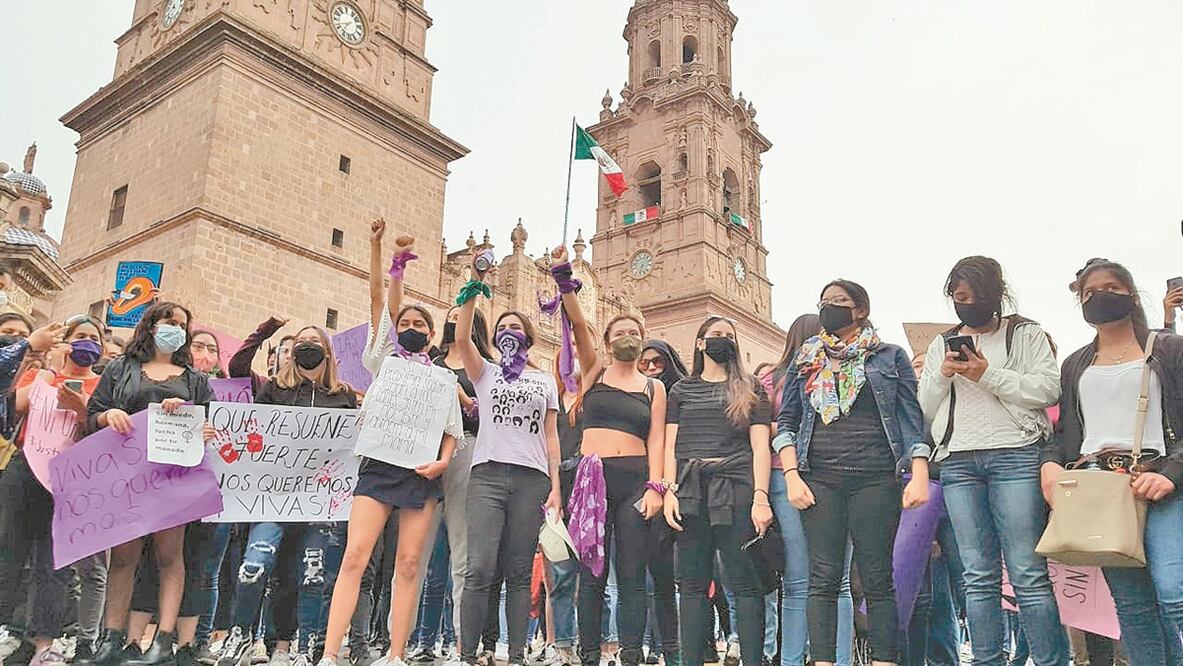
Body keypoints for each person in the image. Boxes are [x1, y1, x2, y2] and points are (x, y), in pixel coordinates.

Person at [319, 222, 461, 666]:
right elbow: (381, 301)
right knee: (355, 556)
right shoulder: (383, 359)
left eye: (420, 324)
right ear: (394, 331)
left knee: (410, 563)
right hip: (379, 468)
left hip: (420, 474)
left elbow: (451, 429)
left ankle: (396, 655)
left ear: (432, 336)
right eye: (406, 323)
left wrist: (443, 463)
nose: (412, 327)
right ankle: (330, 653)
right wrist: (386, 254)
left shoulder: (442, 378)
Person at [917, 257, 1066, 666]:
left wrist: (987, 374)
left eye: (971, 296)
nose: (963, 304)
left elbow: (1048, 390)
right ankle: (987, 660)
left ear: (994, 294)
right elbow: (924, 408)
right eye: (957, 297)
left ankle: (1050, 660)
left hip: (1016, 454)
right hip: (959, 461)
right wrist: (942, 374)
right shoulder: (942, 343)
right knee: (977, 577)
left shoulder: (1025, 333)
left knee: (1027, 571)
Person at [774, 280, 930, 666]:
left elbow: (911, 420)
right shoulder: (806, 358)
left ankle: (884, 660)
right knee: (823, 578)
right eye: (824, 301)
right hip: (819, 478)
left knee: (877, 576)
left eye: (839, 300)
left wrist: (919, 473)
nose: (829, 306)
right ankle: (824, 661)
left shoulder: (889, 356)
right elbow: (787, 421)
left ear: (860, 309)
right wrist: (791, 475)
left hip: (876, 477)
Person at [1041, 259, 1183, 665]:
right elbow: (1065, 432)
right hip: (1100, 489)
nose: (1098, 297)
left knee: (1173, 592)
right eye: (1089, 293)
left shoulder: (1169, 349)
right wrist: (1050, 464)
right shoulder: (1076, 363)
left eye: (1110, 288)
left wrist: (1172, 474)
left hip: (1160, 481)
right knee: (1133, 605)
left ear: (1132, 296)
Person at [213, 325, 357, 666]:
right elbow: (252, 432)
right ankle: (241, 635)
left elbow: (348, 448)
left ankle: (299, 647)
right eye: (302, 342)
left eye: (314, 342)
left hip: (319, 503)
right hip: (273, 498)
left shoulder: (344, 396)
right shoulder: (274, 389)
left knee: (312, 575)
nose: (307, 347)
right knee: (254, 566)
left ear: (328, 352)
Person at [552, 246, 667, 666]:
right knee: (592, 574)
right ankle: (588, 654)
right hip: (592, 479)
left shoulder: (654, 387)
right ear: (606, 342)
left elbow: (657, 441)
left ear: (643, 338)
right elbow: (579, 324)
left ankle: (632, 652)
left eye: (633, 332)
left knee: (633, 573)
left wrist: (656, 487)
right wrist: (564, 279)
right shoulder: (594, 371)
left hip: (635, 480)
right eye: (618, 333)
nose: (627, 338)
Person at [86, 302, 215, 666]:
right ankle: (111, 639)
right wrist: (108, 416)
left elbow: (210, 425)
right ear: (152, 325)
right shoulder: (120, 368)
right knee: (123, 558)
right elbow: (92, 414)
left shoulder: (195, 380)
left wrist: (197, 424)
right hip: (126, 477)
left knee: (170, 557)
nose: (176, 328)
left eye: (182, 325)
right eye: (169, 321)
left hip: (173, 480)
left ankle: (163, 641)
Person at [452, 245, 562, 666]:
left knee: (518, 572)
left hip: (531, 480)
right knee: (479, 567)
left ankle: (516, 655)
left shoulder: (544, 380)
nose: (508, 331)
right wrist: (474, 285)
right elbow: (462, 338)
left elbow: (551, 437)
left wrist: (556, 488)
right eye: (502, 327)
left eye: (516, 326)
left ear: (529, 337)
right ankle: (467, 653)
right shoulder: (486, 372)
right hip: (487, 477)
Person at [663, 315, 773, 666]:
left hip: (737, 486)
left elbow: (760, 447)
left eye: (729, 335)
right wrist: (668, 491)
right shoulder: (680, 390)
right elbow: (670, 446)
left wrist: (761, 497)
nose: (723, 338)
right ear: (700, 343)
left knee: (745, 580)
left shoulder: (751, 387)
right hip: (691, 489)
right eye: (716, 334)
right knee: (692, 584)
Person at [0, 315, 105, 666]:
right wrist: (51, 372)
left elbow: (103, 429)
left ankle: (44, 642)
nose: (87, 343)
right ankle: (6, 629)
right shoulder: (42, 375)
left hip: (70, 478)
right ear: (66, 342)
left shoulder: (103, 385)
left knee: (54, 564)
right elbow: (17, 404)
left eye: (94, 338)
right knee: (8, 552)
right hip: (25, 470)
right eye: (80, 336)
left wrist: (82, 409)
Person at [763, 313, 855, 666]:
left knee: (799, 580)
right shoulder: (785, 377)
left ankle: (792, 659)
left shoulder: (773, 379)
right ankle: (838, 659)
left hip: (787, 475)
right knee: (835, 580)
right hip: (817, 473)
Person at [635, 340, 682, 666]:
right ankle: (644, 647)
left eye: (658, 362)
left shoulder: (681, 395)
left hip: (676, 491)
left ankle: (675, 650)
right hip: (638, 491)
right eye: (645, 363)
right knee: (640, 580)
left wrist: (666, 487)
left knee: (671, 581)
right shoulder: (633, 396)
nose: (651, 368)